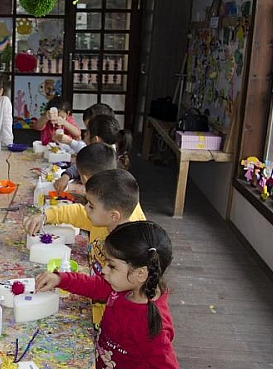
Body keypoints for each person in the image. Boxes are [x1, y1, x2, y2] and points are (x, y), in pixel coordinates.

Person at [35, 221, 179, 369]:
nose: (104, 269)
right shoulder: (126, 286)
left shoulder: (151, 326)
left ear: (140, 273)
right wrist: (60, 279)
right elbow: (94, 286)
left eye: (112, 265)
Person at [24, 168, 146, 325]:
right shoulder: (108, 218)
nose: (86, 208)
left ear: (113, 215)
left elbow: (103, 288)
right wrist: (46, 215)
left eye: (91, 206)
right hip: (101, 315)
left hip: (114, 322)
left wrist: (62, 279)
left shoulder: (130, 249)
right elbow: (75, 212)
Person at [54, 114, 133, 193]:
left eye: (87, 133)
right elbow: (82, 166)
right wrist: (67, 175)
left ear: (96, 139)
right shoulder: (101, 153)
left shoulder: (108, 160)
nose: (84, 134)